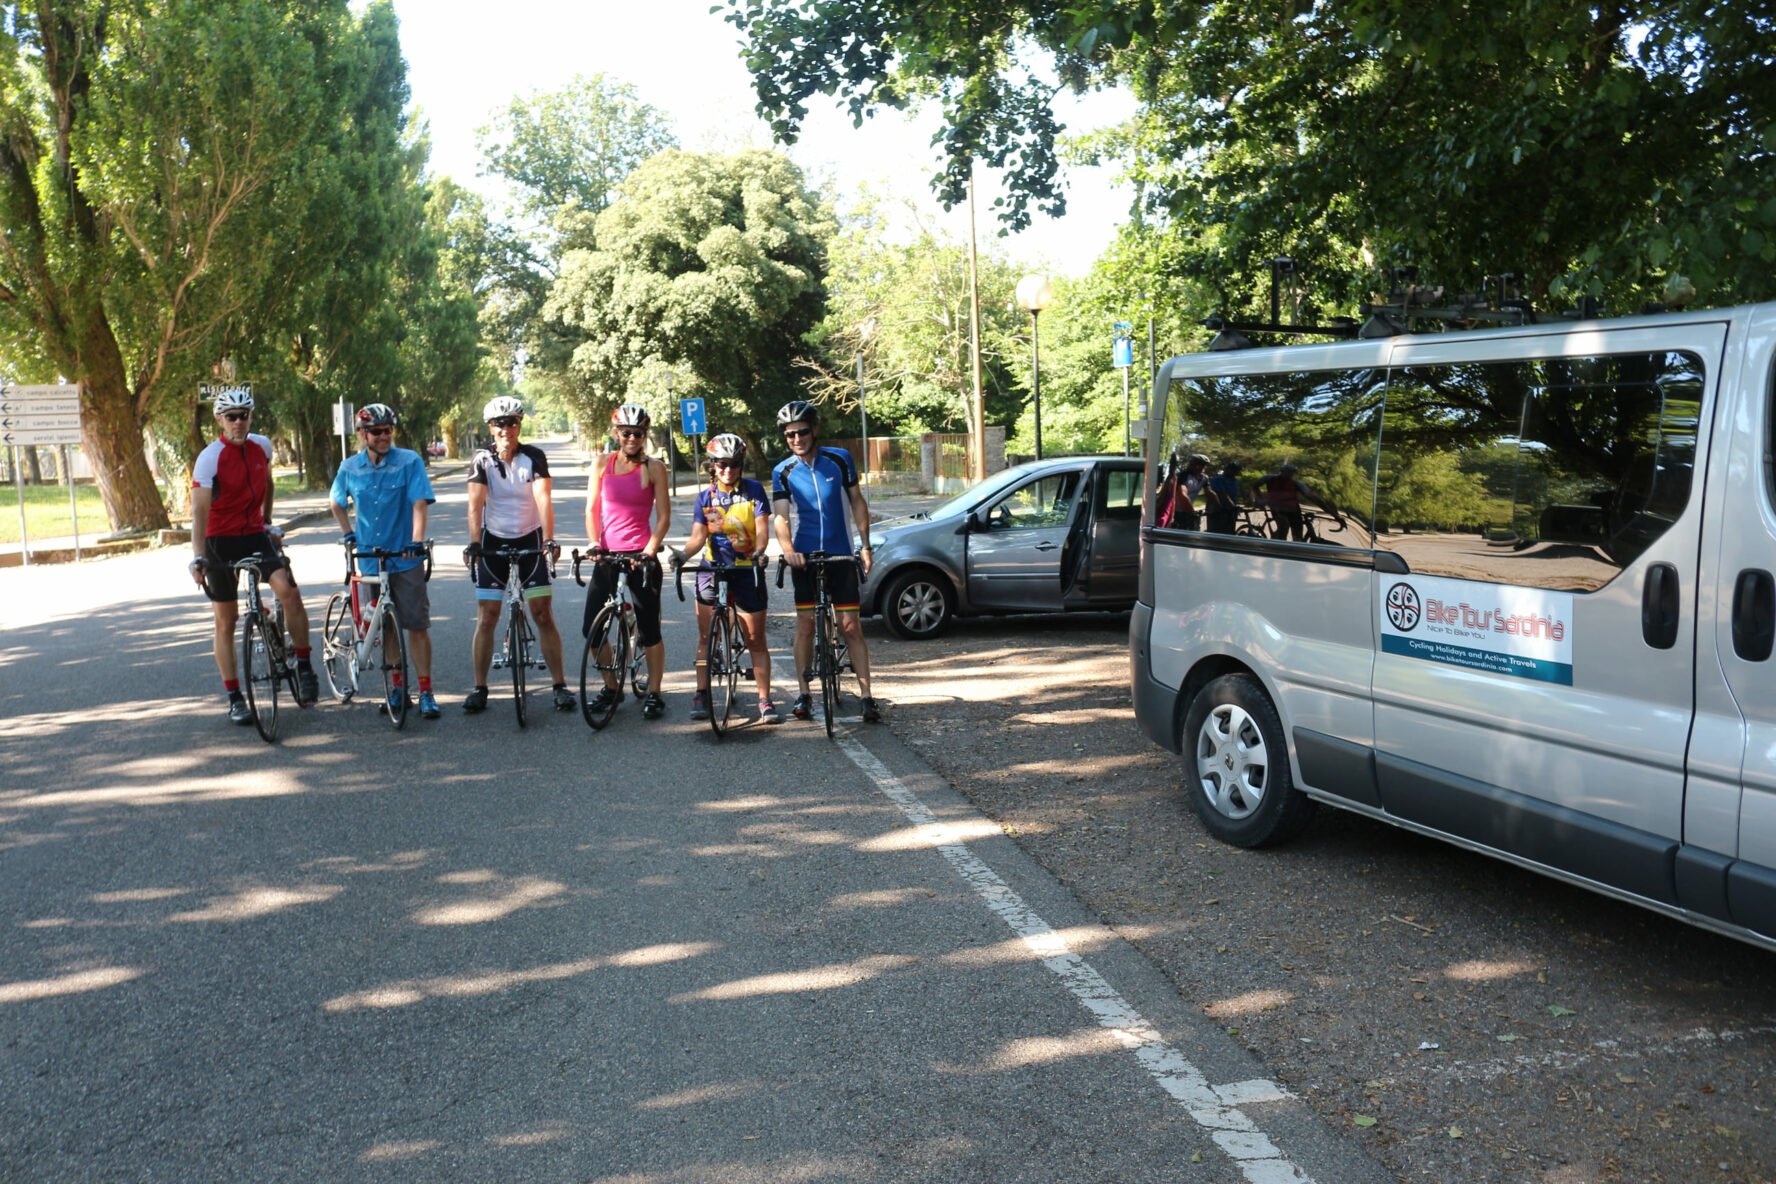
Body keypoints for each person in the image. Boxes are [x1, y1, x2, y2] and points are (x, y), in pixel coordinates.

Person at [188, 387, 318, 722]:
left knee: (288, 591)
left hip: (254, 536)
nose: (238, 422)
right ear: (220, 419)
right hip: (219, 540)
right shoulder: (209, 457)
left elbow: (268, 483)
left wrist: (269, 522)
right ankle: (234, 696)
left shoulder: (262, 446)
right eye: (231, 417)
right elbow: (199, 512)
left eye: (244, 415)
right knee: (226, 620)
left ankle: (304, 666)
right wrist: (197, 556)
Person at [770, 399, 881, 723]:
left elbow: (857, 503)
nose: (797, 439)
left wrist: (865, 546)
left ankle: (867, 697)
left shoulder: (839, 459)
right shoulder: (783, 471)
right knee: (805, 627)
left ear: (814, 429)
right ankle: (804, 693)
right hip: (805, 556)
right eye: (790, 435)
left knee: (850, 628)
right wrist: (788, 549)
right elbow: (780, 516)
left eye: (802, 432)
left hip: (841, 552)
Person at [462, 395, 574, 713]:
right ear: (490, 427)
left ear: (519, 425)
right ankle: (480, 687)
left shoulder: (534, 457)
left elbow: (543, 499)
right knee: (487, 617)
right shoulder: (482, 460)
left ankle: (559, 685)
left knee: (542, 613)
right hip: (493, 542)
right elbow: (475, 505)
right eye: (499, 424)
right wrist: (474, 543)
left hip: (530, 540)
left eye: (511, 423)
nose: (506, 429)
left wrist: (549, 539)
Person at [328, 402, 440, 719]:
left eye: (388, 431)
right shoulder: (350, 467)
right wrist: (348, 533)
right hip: (370, 560)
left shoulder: (409, 461)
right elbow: (336, 502)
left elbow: (419, 503)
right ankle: (396, 688)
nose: (383, 436)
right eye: (377, 432)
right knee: (386, 628)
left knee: (417, 625)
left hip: (404, 556)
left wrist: (416, 542)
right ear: (363, 435)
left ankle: (427, 691)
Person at [680, 433, 779, 724]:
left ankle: (764, 699)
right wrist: (682, 556)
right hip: (713, 568)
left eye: (734, 464)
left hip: (747, 569)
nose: (728, 470)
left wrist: (761, 551)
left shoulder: (753, 491)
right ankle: (701, 692)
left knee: (755, 640)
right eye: (722, 464)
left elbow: (762, 530)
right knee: (704, 638)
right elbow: (698, 538)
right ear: (712, 465)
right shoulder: (706, 497)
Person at [583, 402, 671, 720]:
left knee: (649, 630)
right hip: (607, 556)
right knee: (590, 629)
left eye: (638, 433)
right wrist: (594, 542)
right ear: (616, 433)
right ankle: (611, 686)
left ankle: (655, 691)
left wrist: (650, 550)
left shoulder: (655, 467)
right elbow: (592, 510)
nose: (632, 438)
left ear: (644, 434)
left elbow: (663, 518)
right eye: (626, 433)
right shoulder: (601, 465)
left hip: (641, 558)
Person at [1251, 462, 1331, 541]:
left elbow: (1312, 497)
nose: (1290, 475)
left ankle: (1296, 542)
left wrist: (1330, 512)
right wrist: (1259, 498)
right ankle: (1278, 544)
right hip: (1278, 508)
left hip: (1293, 509)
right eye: (1288, 472)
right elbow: (1255, 486)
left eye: (1292, 473)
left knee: (1298, 532)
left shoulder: (1296, 483)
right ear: (1282, 472)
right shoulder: (1270, 478)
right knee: (1284, 526)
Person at [1204, 460, 1244, 535]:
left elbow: (1236, 495)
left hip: (1230, 512)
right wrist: (1233, 506)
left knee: (1229, 533)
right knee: (1216, 534)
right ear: (1227, 469)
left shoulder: (1234, 481)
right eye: (1233, 470)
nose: (1235, 473)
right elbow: (1223, 495)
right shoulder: (1218, 479)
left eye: (1236, 471)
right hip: (1217, 511)